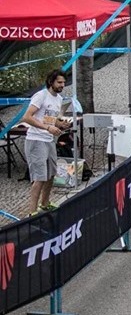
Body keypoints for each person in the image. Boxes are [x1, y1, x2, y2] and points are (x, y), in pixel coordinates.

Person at [22, 69, 71, 216]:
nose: (62, 85)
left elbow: (49, 118)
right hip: (36, 140)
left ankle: (44, 203)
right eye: (59, 82)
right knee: (39, 177)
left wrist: (60, 124)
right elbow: (27, 117)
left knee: (51, 174)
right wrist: (48, 128)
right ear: (51, 82)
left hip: (49, 140)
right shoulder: (41, 96)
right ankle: (32, 211)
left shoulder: (59, 99)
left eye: (63, 82)